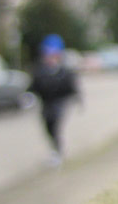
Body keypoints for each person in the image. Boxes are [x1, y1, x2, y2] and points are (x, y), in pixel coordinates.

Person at [28, 34, 80, 167]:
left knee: (55, 124)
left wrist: (77, 99)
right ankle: (55, 150)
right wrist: (29, 96)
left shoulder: (64, 72)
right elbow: (33, 86)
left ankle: (57, 152)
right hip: (46, 103)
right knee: (48, 126)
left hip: (60, 103)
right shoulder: (40, 71)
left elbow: (72, 87)